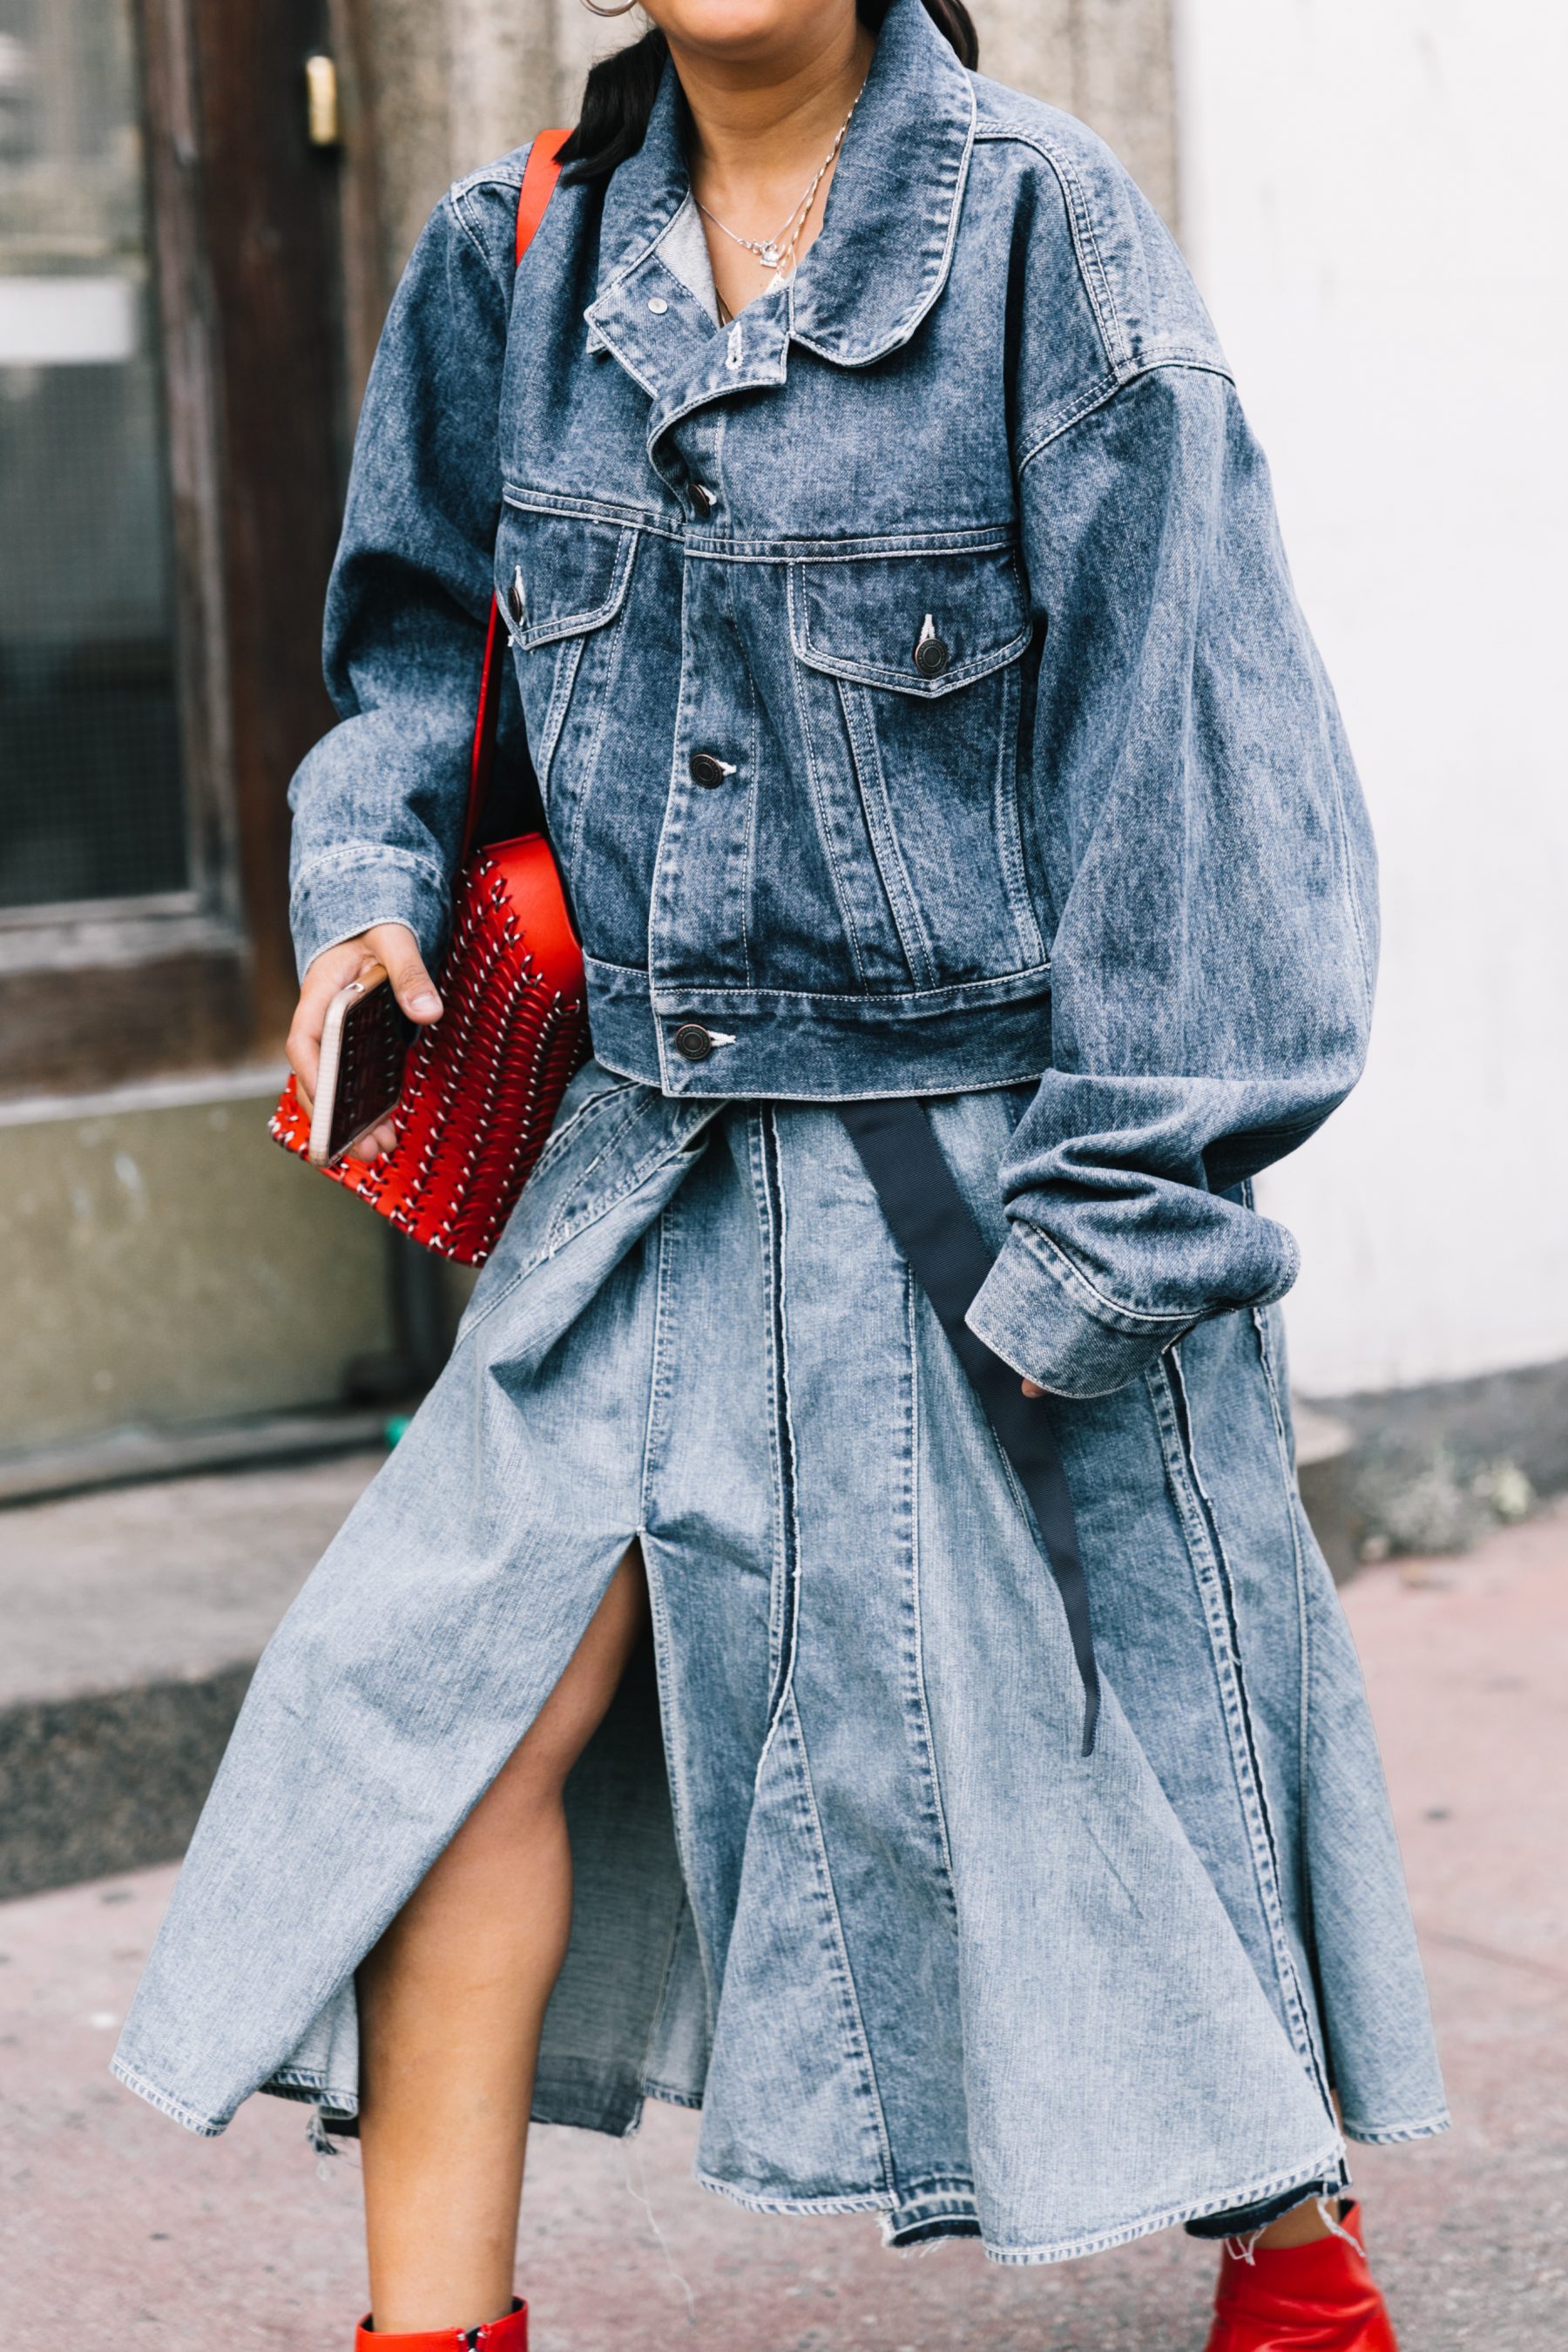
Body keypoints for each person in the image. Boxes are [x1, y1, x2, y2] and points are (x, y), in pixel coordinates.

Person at [112, 3, 1447, 2345]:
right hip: (633, 1171)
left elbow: (1205, 792)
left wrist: (1113, 1242)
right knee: (435, 1717)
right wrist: (364, 881)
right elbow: (416, 651)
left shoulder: (1051, 246)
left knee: (1129, 1728)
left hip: (982, 1179)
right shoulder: (506, 252)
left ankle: (1294, 2267)